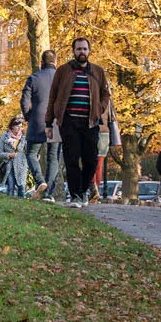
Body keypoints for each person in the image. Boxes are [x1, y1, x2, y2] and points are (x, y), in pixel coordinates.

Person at [42, 37, 111, 209]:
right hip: (69, 121)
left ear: (89, 51)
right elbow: (53, 96)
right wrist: (49, 122)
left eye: (85, 49)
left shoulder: (97, 71)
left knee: (91, 160)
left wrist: (99, 108)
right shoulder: (64, 71)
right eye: (79, 49)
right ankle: (75, 196)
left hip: (90, 123)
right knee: (71, 159)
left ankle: (82, 191)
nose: (82, 52)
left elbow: (105, 94)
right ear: (73, 51)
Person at [20, 51, 60, 201]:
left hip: (37, 121)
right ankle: (49, 194)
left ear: (41, 62)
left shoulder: (34, 78)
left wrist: (30, 117)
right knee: (53, 158)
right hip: (56, 122)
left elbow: (24, 102)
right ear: (55, 61)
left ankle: (40, 181)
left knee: (31, 153)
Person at [0, 116, 29, 196]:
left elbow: (29, 151)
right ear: (12, 126)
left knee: (22, 188)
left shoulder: (24, 137)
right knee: (10, 188)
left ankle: (22, 207)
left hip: (21, 165)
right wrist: (9, 155)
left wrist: (36, 155)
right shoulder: (5, 136)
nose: (20, 128)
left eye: (21, 126)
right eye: (17, 126)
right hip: (9, 166)